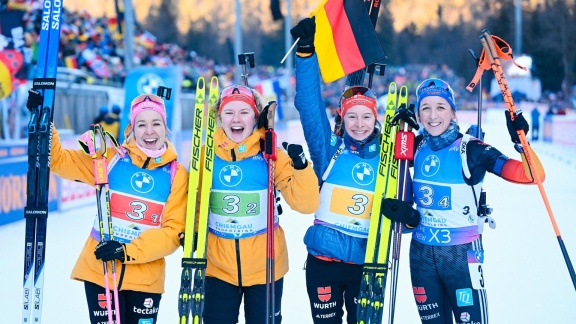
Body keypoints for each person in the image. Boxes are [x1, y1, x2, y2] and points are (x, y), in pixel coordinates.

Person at [290, 18, 421, 323]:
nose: (359, 124)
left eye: (366, 117)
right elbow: (309, 107)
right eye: (353, 117)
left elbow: (409, 210)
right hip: (325, 260)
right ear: (343, 119)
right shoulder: (329, 150)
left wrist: (407, 216)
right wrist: (306, 55)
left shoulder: (388, 159)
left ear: (375, 119)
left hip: (368, 262)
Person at [388, 79, 546, 323]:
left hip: (461, 256)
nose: (432, 116)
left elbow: (531, 175)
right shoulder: (415, 145)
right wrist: (396, 130)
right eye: (425, 108)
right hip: (421, 255)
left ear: (453, 112)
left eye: (440, 107)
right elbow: (388, 171)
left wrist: (521, 143)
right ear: (418, 114)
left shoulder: (471, 149)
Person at [26, 90, 188, 323]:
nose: (149, 131)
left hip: (146, 279)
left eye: (156, 123)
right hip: (100, 271)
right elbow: (59, 160)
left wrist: (126, 251)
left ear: (165, 128)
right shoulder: (109, 159)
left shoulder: (177, 175)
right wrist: (44, 120)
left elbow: (172, 234)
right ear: (131, 129)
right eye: (141, 124)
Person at [200, 84, 320, 323]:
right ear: (219, 116)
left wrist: (301, 165)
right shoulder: (205, 156)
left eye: (244, 112)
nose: (236, 119)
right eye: (229, 112)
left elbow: (306, 204)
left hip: (267, 268)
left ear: (256, 116)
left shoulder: (271, 153)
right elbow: (195, 208)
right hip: (218, 269)